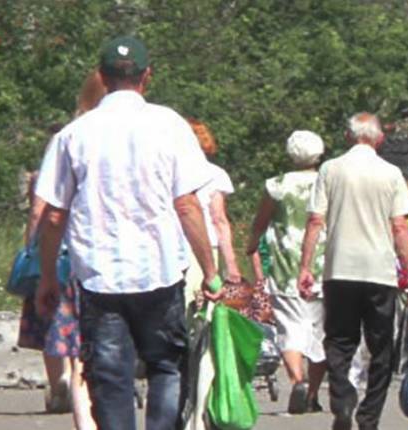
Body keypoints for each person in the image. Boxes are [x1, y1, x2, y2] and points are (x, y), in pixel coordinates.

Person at [33, 35, 220, 429]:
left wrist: (48, 277)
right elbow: (186, 204)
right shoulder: (170, 125)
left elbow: (53, 216)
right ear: (146, 76)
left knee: (109, 373)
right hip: (160, 270)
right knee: (166, 365)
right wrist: (212, 270)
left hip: (100, 276)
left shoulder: (74, 134)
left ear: (101, 76)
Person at [297, 113, 408, 430]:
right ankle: (369, 416)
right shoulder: (390, 173)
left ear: (349, 137)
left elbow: (315, 221)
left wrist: (305, 267)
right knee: (381, 349)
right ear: (379, 139)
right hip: (379, 271)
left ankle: (343, 399)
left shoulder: (330, 169)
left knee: (338, 341)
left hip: (339, 269)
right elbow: (400, 226)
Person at [17, 123, 96, 430]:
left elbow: (41, 212)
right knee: (81, 319)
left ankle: (59, 381)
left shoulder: (45, 176)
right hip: (83, 253)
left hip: (53, 250)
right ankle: (80, 378)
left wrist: (31, 248)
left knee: (48, 317)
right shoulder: (90, 169)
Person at [246, 130, 329, 414]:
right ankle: (313, 393)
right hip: (324, 264)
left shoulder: (277, 185)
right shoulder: (328, 181)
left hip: (285, 267)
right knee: (320, 330)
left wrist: (252, 243)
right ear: (319, 154)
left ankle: (297, 380)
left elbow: (260, 221)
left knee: (290, 327)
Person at [185, 119, 241, 305]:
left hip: (170, 248)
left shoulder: (166, 171)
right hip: (205, 248)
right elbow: (218, 220)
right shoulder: (214, 174)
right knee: (202, 307)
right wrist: (231, 265)